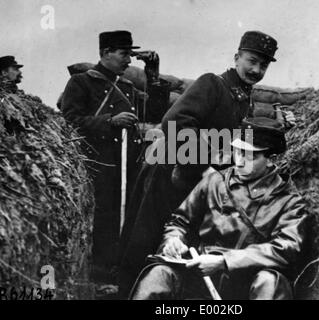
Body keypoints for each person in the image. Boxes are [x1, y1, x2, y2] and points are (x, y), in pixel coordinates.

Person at [118, 30, 296, 297]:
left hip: (196, 180)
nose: (257, 70)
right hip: (170, 172)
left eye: (264, 65)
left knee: (180, 243)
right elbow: (176, 121)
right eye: (251, 61)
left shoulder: (243, 97)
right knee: (149, 238)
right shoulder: (212, 84)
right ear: (237, 57)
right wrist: (209, 163)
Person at [130, 117, 307, 300]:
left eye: (250, 156)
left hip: (244, 283)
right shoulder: (215, 181)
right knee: (159, 274)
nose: (239, 162)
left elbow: (286, 249)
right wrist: (173, 239)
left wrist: (224, 261)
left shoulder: (289, 202)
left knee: (270, 282)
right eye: (238, 152)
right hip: (200, 275)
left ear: (272, 159)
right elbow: (180, 221)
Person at [61, 30, 168, 296]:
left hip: (128, 165)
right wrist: (110, 123)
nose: (128, 61)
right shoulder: (82, 83)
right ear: (105, 52)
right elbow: (69, 122)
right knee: (104, 219)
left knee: (129, 217)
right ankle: (99, 279)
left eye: (130, 55)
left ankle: (121, 276)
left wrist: (153, 74)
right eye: (123, 54)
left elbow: (156, 112)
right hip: (98, 164)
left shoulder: (129, 88)